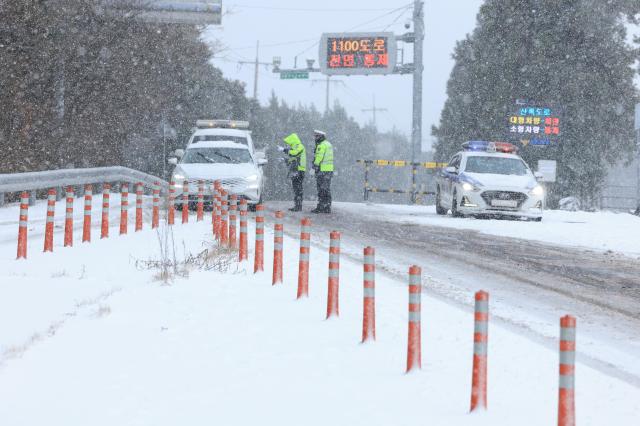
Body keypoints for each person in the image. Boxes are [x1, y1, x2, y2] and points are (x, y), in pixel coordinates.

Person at [281, 133, 306, 212]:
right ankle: (297, 206)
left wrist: (284, 150)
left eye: (289, 144)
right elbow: (293, 159)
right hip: (296, 171)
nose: (289, 145)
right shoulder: (296, 148)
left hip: (299, 171)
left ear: (293, 141)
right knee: (296, 189)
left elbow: (295, 153)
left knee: (298, 189)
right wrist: (285, 160)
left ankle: (298, 206)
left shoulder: (300, 146)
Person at [311, 130, 334, 214]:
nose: (315, 138)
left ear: (320, 136)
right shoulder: (328, 144)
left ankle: (320, 206)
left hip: (322, 170)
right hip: (329, 170)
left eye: (316, 136)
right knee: (326, 189)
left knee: (321, 189)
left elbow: (319, 157)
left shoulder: (321, 145)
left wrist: (314, 166)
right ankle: (327, 207)